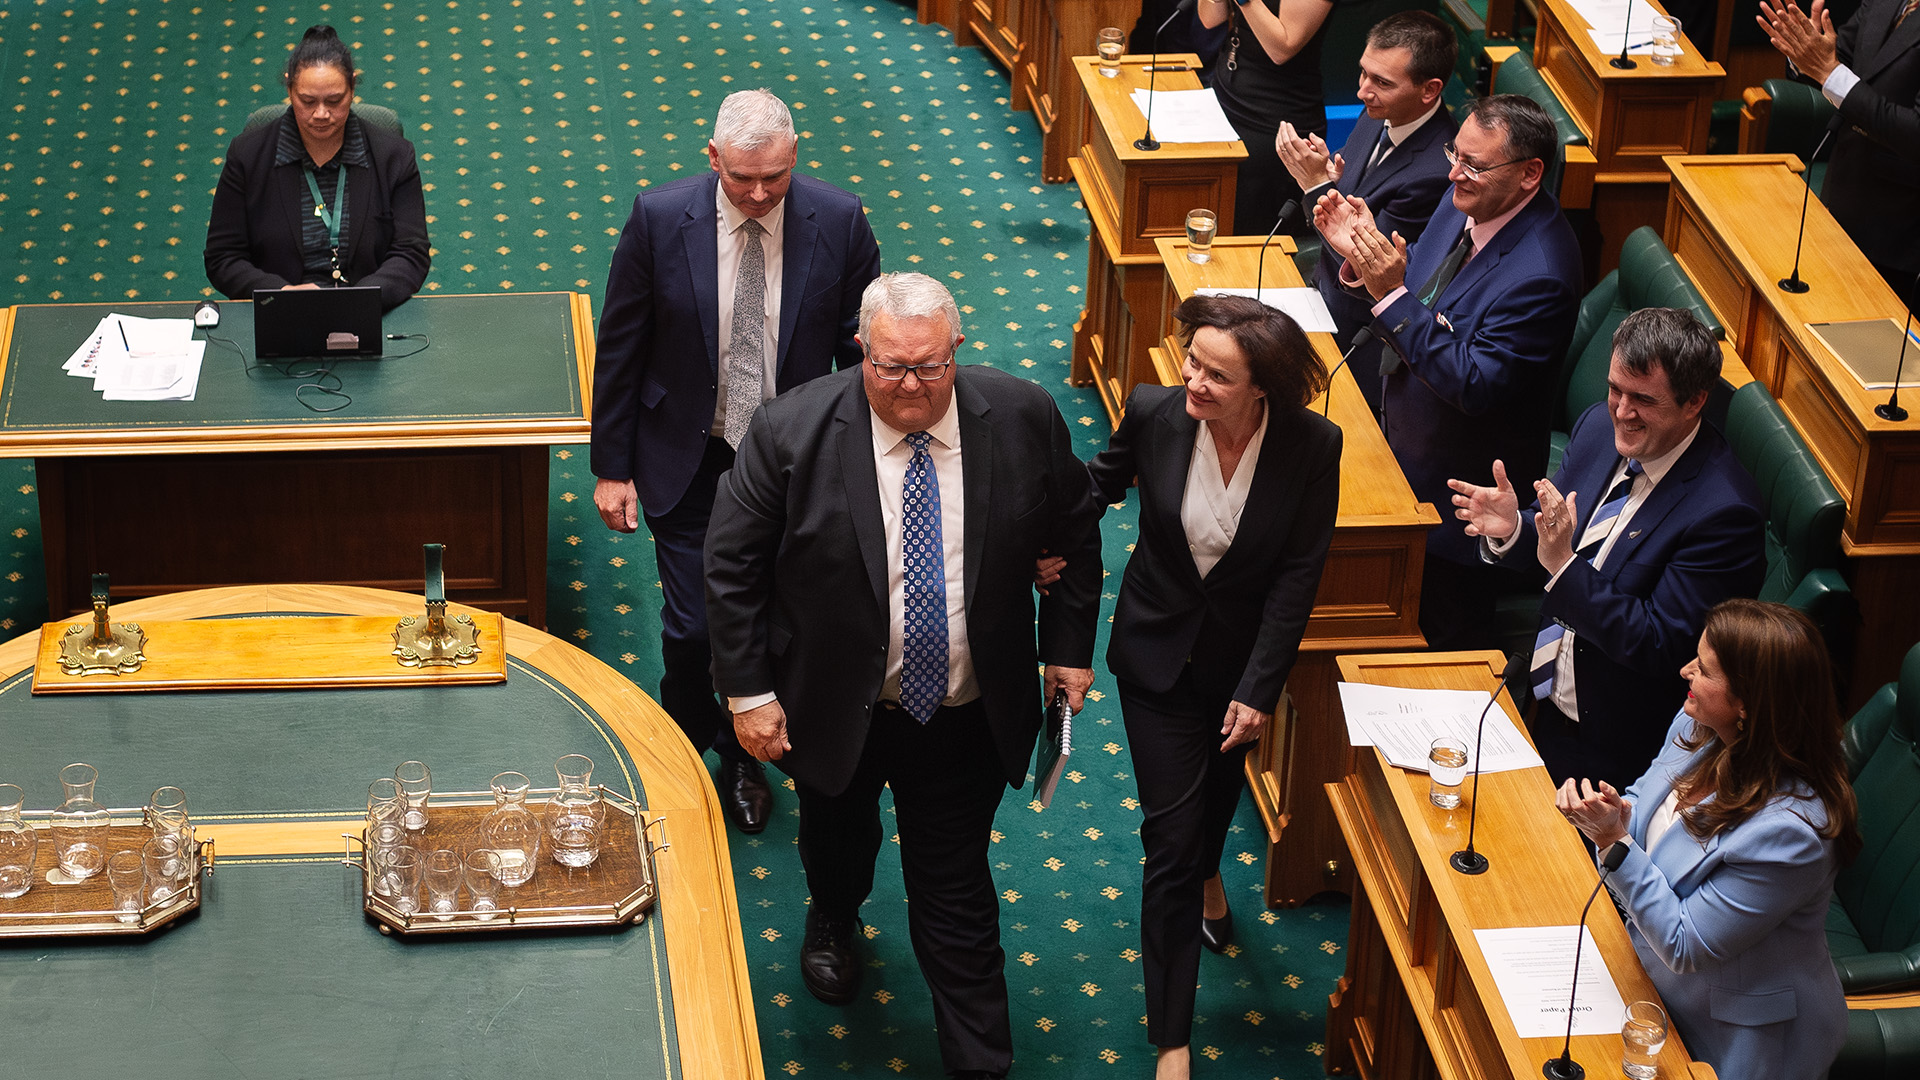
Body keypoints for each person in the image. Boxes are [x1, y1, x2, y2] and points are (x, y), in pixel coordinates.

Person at [704, 274, 1101, 1080]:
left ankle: (980, 1065)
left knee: (955, 893)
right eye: (890, 368)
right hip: (830, 704)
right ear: (863, 351)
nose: (910, 387)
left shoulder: (1022, 414)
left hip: (964, 710)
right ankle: (835, 917)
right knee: (838, 841)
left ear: (957, 349)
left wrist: (1066, 647)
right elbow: (731, 567)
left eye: (927, 368)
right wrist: (749, 696)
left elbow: (1076, 533)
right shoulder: (790, 429)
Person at [590, 88, 882, 835]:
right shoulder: (659, 218)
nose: (757, 195)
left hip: (791, 461)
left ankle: (743, 753)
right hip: (687, 453)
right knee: (696, 629)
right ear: (713, 158)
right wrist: (611, 466)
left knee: (780, 617)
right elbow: (621, 343)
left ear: (795, 158)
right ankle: (685, 748)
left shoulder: (841, 219)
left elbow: (861, 346)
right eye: (741, 178)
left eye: (774, 179)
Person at [1087, 294, 1339, 1080]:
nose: (1193, 381)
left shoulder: (1311, 445)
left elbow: (1297, 578)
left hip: (1239, 671)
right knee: (1169, 837)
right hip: (1155, 657)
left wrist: (1261, 689)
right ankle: (1172, 1037)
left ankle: (1207, 875)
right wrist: (1042, 545)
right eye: (1192, 361)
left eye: (1216, 375)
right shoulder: (1156, 412)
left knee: (1215, 802)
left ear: (1261, 386)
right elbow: (1099, 484)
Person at [1448, 308, 1766, 790]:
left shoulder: (1724, 514)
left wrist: (1559, 562)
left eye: (1643, 399)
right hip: (1542, 698)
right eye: (1615, 389)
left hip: (1614, 749)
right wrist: (1515, 529)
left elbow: (1660, 644)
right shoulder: (1600, 428)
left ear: (1694, 401)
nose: (1621, 410)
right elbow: (1562, 542)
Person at [1314, 94, 1582, 651]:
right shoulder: (1466, 198)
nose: (1454, 172)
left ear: (1531, 174)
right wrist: (1368, 258)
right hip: (1401, 444)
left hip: (1456, 509)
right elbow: (1425, 295)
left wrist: (1390, 292)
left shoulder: (1542, 273)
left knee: (1433, 651)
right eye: (1453, 154)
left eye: (1475, 165)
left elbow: (1473, 382)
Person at [1556, 599, 1860, 1080]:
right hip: (1642, 974)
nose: (1685, 671)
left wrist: (1615, 843)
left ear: (1749, 703)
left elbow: (1685, 943)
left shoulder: (1790, 832)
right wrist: (1615, 813)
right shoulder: (1699, 727)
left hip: (1730, 1036)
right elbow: (1647, 801)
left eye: (1705, 670)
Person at [1276, 11, 1459, 419]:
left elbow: (1364, 267)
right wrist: (1328, 180)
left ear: (1429, 90)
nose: (1362, 91)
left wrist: (1315, 187)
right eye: (1363, 73)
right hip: (1318, 295)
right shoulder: (1383, 113)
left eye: (1381, 82)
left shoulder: (1434, 172)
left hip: (1359, 339)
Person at [204, 25, 431, 311]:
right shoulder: (248, 155)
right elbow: (223, 257)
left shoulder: (394, 155)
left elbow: (411, 253)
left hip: (369, 313)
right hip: (281, 315)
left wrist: (361, 300)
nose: (321, 114)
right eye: (307, 101)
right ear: (289, 88)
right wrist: (281, 293)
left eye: (334, 101)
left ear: (353, 86)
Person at [1757, 0, 1920, 310]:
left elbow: (1916, 134)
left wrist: (1829, 72)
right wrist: (1804, 52)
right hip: (1842, 199)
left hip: (1898, 235)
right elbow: (1838, 60)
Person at [1199, 0, 1338, 237]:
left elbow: (1282, 49)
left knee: (1247, 234)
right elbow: (1210, 18)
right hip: (1225, 95)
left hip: (1272, 121)